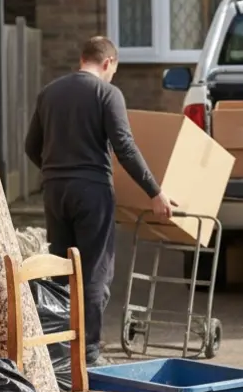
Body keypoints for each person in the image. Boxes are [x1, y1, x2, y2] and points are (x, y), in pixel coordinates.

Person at [25, 36, 178, 367]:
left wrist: (56, 172)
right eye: (113, 70)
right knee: (94, 272)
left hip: (55, 191)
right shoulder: (107, 93)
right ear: (108, 63)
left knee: (62, 269)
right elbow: (124, 146)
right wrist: (155, 191)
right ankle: (89, 353)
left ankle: (61, 350)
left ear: (83, 58)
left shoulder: (49, 92)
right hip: (92, 192)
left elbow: (30, 146)